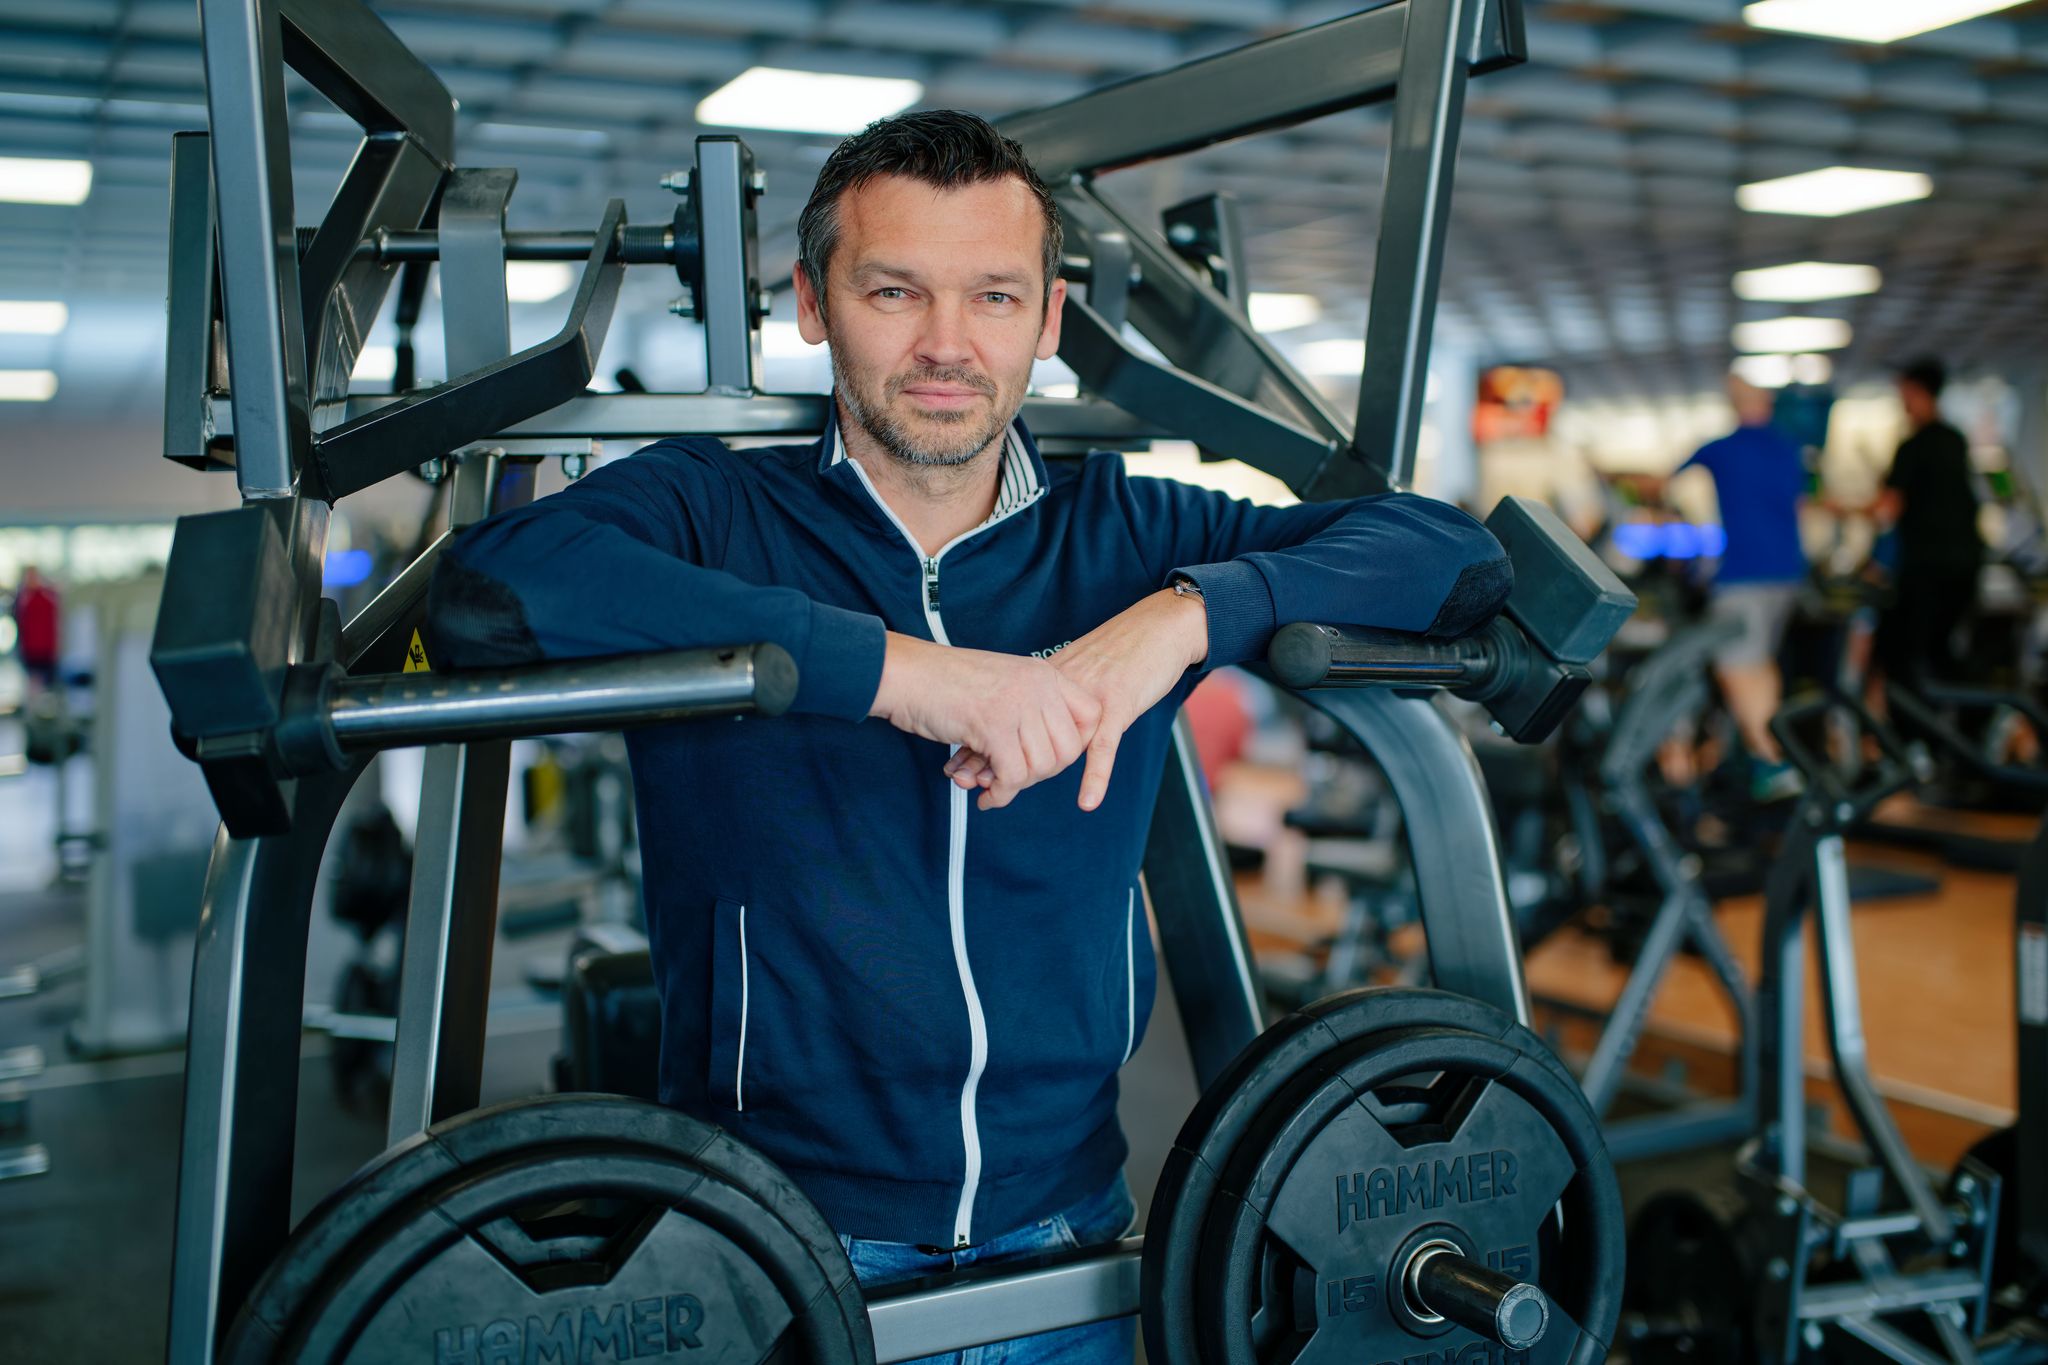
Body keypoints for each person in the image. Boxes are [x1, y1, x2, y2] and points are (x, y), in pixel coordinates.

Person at [427, 110, 1509, 1365]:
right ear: (816, 301)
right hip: (784, 1249)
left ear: (1045, 320)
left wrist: (1173, 622)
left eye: (993, 297)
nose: (947, 346)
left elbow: (1454, 557)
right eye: (895, 291)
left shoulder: (1125, 534)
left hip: (1075, 1238)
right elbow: (488, 592)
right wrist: (901, 677)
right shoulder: (712, 510)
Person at [1669, 374, 1809, 797]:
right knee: (1759, 663)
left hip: (1744, 575)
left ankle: (1772, 761)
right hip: (1787, 574)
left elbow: (1663, 482)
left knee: (1733, 665)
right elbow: (1799, 503)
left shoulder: (1723, 448)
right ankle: (1771, 754)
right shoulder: (1790, 448)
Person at [1871, 357, 1983, 688]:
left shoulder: (1912, 446)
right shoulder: (1955, 439)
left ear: (1916, 391)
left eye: (1903, 392)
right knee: (1942, 650)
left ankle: (1915, 732)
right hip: (1966, 564)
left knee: (1903, 654)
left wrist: (1836, 507)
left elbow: (1886, 509)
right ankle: (1958, 726)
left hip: (1928, 567)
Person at [11, 566, 60, 692]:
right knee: (33, 684)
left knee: (44, 685)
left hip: (44, 649)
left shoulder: (45, 598)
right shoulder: (23, 599)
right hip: (30, 649)